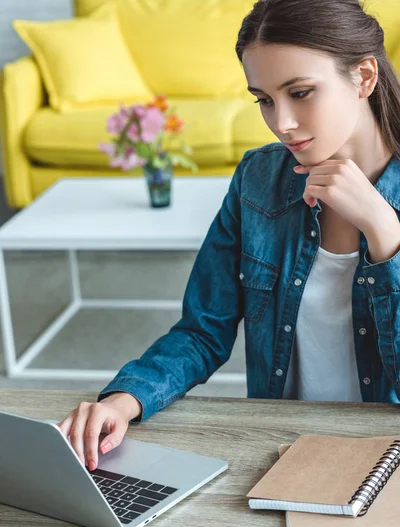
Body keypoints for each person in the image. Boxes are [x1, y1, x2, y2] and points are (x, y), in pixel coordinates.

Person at [58, 0, 400, 472]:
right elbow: (204, 329)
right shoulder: (259, 180)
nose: (281, 122)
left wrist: (385, 232)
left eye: (300, 92)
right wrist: (124, 400)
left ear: (364, 76)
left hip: (385, 458)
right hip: (283, 451)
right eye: (263, 99)